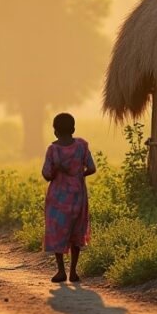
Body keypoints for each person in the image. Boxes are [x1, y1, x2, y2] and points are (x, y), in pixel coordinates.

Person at [42, 113, 96, 283]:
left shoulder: (53, 150)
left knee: (58, 231)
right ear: (73, 129)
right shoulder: (81, 146)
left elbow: (47, 175)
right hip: (78, 197)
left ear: (55, 132)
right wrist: (79, 175)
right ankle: (73, 271)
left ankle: (60, 271)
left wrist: (59, 171)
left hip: (58, 199)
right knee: (75, 232)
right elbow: (92, 168)